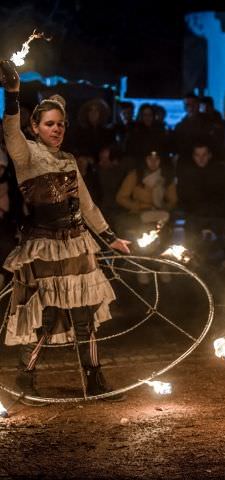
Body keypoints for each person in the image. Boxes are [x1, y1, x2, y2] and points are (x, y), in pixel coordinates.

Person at [0, 60, 131, 405]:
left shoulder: (69, 160)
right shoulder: (26, 154)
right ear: (36, 127)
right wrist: (12, 93)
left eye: (60, 124)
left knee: (86, 314)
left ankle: (94, 380)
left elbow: (87, 206)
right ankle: (25, 376)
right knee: (48, 314)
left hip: (77, 244)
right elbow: (10, 130)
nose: (56, 129)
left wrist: (110, 236)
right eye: (49, 124)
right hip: (44, 247)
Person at [115, 150, 176, 238]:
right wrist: (137, 206)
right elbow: (121, 198)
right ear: (145, 160)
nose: (153, 162)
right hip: (138, 213)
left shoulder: (166, 177)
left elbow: (173, 200)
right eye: (150, 159)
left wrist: (165, 207)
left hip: (159, 213)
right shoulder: (136, 175)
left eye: (157, 159)